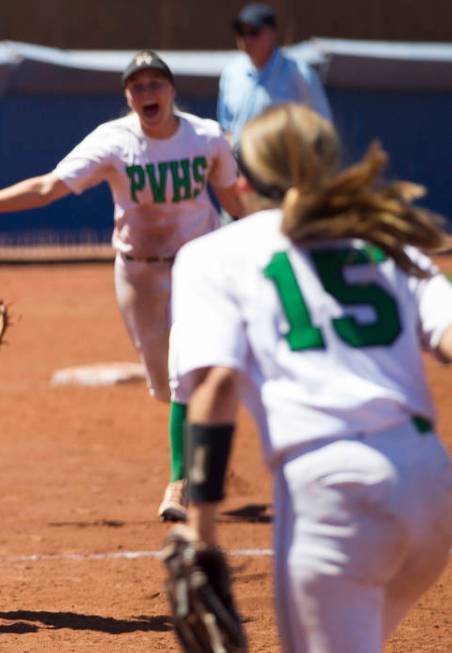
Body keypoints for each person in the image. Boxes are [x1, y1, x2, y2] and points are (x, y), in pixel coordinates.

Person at [171, 103, 452, 652]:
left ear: (244, 178)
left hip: (334, 491)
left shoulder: (214, 254)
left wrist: (198, 524)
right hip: (429, 483)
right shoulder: (386, 234)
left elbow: (218, 387)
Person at [0, 50, 244, 522]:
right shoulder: (114, 141)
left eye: (156, 83)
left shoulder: (206, 138)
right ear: (127, 97)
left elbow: (234, 201)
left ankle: (181, 482)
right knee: (163, 385)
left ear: (173, 90)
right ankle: (195, 432)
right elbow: (48, 187)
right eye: (137, 86)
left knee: (185, 376)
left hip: (196, 269)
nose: (147, 93)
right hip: (138, 274)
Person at [217, 3, 332, 144]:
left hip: (281, 163)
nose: (246, 39)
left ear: (272, 34)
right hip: (238, 161)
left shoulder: (299, 75)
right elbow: (226, 126)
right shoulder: (231, 72)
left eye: (254, 32)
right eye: (240, 31)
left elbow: (323, 128)